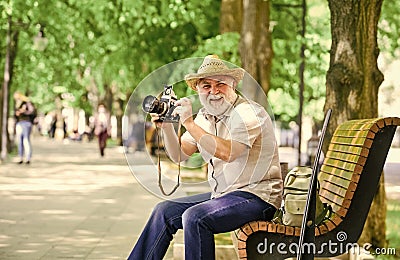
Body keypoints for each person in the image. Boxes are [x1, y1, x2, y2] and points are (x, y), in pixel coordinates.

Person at [128, 55, 283, 260]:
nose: (214, 91)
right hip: (224, 195)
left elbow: (228, 152)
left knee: (195, 217)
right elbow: (179, 155)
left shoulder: (249, 113)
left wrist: (190, 124)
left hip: (257, 197)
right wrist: (166, 127)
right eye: (206, 85)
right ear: (198, 90)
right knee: (163, 211)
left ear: (233, 85)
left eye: (220, 84)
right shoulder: (205, 116)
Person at [14, 92, 36, 164]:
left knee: (26, 140)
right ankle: (20, 157)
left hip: (26, 122)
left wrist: (23, 112)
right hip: (19, 123)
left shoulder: (27, 103)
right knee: (20, 141)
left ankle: (28, 158)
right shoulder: (17, 104)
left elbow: (32, 112)